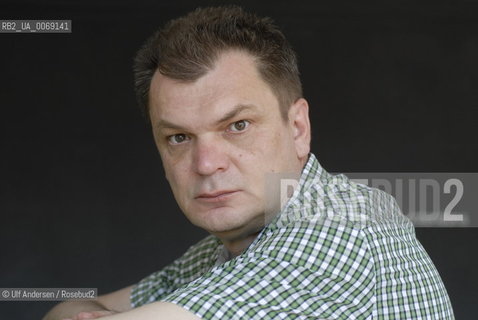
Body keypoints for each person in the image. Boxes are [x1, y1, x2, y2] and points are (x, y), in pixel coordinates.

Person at [43, 6, 454, 320]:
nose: (205, 164)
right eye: (179, 137)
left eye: (237, 125)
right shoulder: (217, 255)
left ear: (297, 127)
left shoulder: (342, 224)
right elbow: (67, 309)